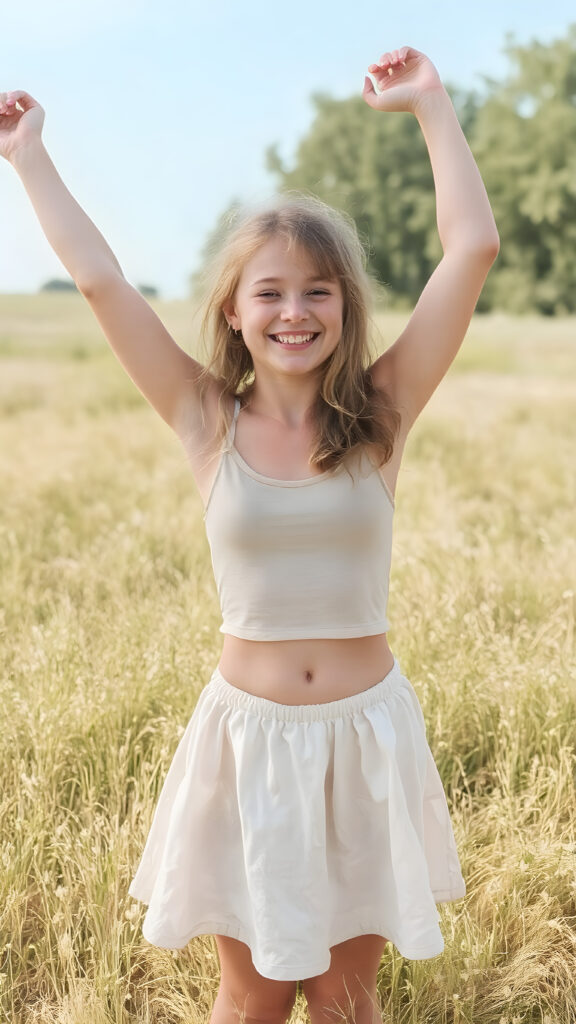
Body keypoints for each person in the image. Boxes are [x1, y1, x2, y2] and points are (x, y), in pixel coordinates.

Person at [0, 45, 498, 1024]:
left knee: (350, 998)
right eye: (270, 291)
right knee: (253, 994)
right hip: (247, 745)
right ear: (234, 308)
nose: (295, 311)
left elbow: (471, 248)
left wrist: (432, 104)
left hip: (363, 740)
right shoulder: (206, 420)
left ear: (344, 305)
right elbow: (102, 282)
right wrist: (28, 154)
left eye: (318, 289)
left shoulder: (383, 411)